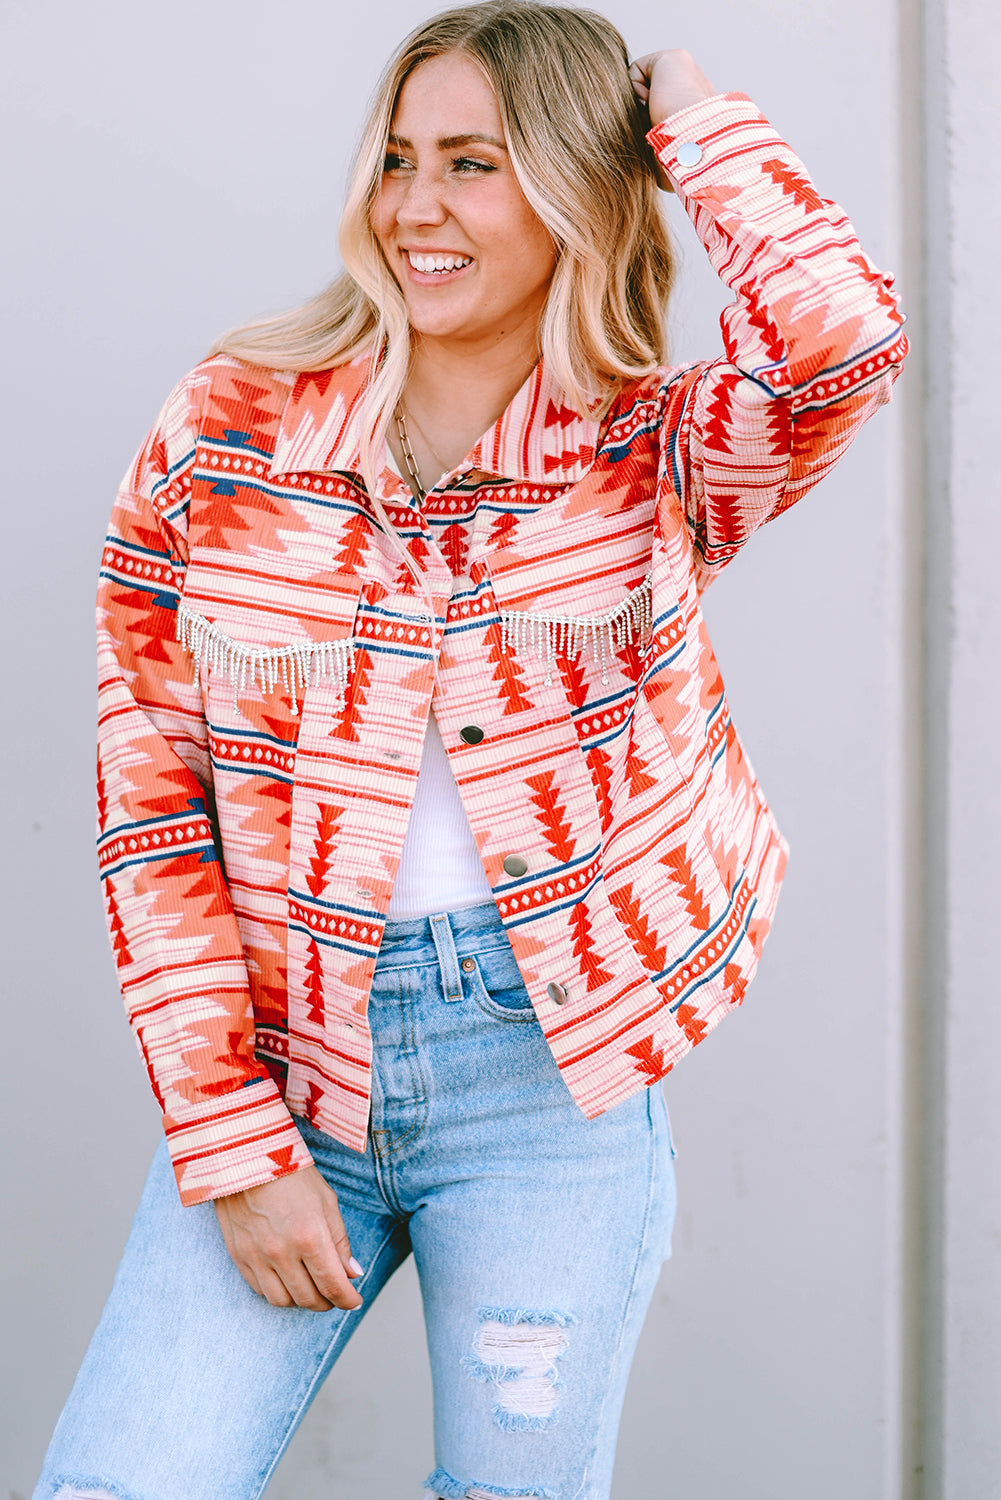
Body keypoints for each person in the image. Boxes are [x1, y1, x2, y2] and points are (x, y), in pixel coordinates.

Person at [34, 4, 908, 1498]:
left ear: (574, 187)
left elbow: (840, 338)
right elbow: (152, 795)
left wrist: (686, 116)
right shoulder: (232, 427)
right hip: (290, 1056)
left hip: (546, 1080)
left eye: (471, 164)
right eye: (396, 159)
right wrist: (231, 1141)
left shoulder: (651, 451)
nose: (414, 208)